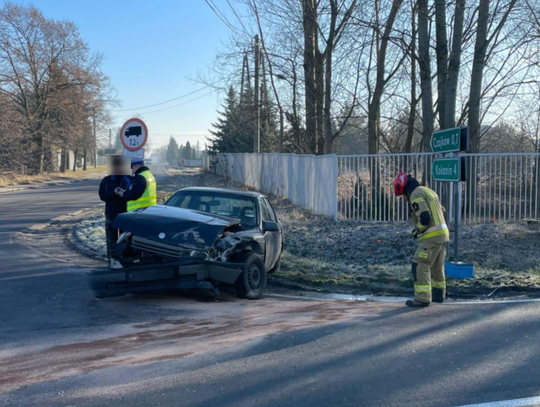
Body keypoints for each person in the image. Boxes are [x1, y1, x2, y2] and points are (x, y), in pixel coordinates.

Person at [394, 172, 450, 308]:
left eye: (403, 195)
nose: (405, 198)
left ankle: (422, 298)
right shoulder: (428, 191)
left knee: (420, 264)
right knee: (437, 266)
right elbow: (442, 210)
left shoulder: (415, 194)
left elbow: (424, 217)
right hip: (443, 234)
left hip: (430, 236)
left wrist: (417, 230)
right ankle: (438, 295)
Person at [98, 155, 132, 263]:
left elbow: (133, 194)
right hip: (111, 214)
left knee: (125, 239)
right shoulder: (107, 181)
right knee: (111, 239)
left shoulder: (128, 180)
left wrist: (124, 193)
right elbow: (102, 196)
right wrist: (113, 193)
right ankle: (111, 259)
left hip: (125, 214)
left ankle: (124, 259)